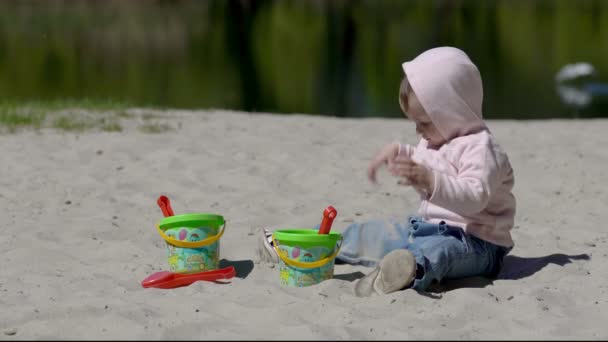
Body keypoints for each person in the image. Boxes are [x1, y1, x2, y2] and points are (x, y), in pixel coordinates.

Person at [258, 46, 516, 296]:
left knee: (441, 252)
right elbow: (423, 156)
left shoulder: (482, 148)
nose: (418, 131)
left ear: (453, 112)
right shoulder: (436, 138)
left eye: (424, 122)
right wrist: (397, 151)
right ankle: (305, 245)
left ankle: (407, 270)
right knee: (372, 234)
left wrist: (429, 180)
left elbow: (474, 197)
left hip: (477, 244)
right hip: (425, 228)